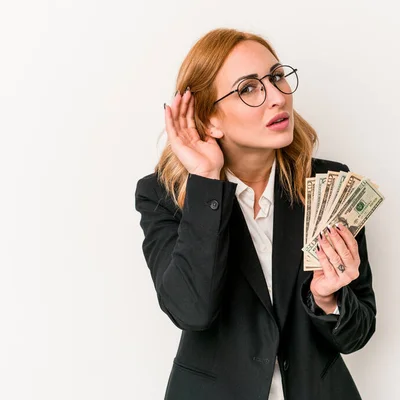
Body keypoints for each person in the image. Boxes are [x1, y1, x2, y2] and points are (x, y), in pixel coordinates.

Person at [134, 28, 377, 400]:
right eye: (248, 88)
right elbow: (191, 311)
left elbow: (358, 334)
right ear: (210, 119)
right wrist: (207, 182)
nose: (277, 97)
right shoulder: (164, 196)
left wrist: (328, 299)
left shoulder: (328, 187)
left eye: (277, 77)